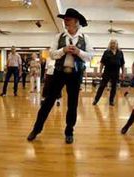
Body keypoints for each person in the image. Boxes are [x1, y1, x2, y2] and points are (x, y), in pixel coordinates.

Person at [27, 8, 93, 144]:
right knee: (48, 101)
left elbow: (90, 57)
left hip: (75, 74)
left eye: (68, 19)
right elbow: (51, 54)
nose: (65, 21)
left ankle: (69, 131)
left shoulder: (85, 38)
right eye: (65, 19)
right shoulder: (58, 37)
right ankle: (36, 129)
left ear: (76, 22)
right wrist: (63, 50)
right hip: (59, 73)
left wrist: (78, 51)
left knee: (72, 104)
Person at [92, 39, 125, 106]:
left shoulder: (120, 52)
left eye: (114, 43)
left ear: (117, 44)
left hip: (116, 73)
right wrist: (100, 72)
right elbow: (102, 63)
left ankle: (111, 101)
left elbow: (122, 64)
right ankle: (96, 100)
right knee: (102, 86)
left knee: (114, 87)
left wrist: (123, 73)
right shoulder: (106, 52)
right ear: (110, 44)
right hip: (107, 72)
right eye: (112, 43)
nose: (113, 44)